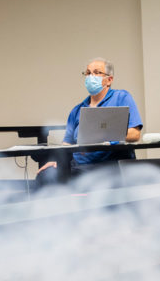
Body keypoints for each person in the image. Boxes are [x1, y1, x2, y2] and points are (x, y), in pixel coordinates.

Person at [35, 57, 143, 185]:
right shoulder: (77, 110)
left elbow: (135, 134)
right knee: (45, 177)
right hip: (80, 168)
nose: (91, 77)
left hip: (110, 168)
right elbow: (67, 145)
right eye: (88, 73)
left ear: (109, 80)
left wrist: (109, 140)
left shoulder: (121, 98)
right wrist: (59, 161)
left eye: (97, 72)